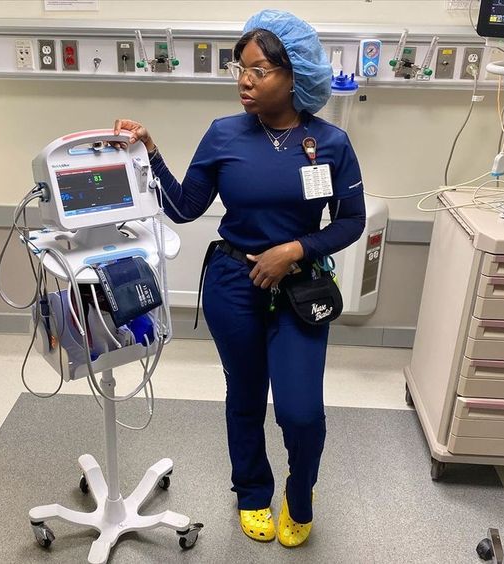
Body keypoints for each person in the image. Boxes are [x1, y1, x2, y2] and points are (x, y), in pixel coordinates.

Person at [113, 9, 366, 548]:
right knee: (245, 396)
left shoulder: (331, 143)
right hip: (232, 282)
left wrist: (296, 249)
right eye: (239, 68)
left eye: (259, 70)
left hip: (298, 288)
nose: (244, 81)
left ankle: (301, 493)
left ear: (294, 74)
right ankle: (252, 491)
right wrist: (150, 152)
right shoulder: (223, 133)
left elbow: (352, 221)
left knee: (301, 410)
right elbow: (183, 207)